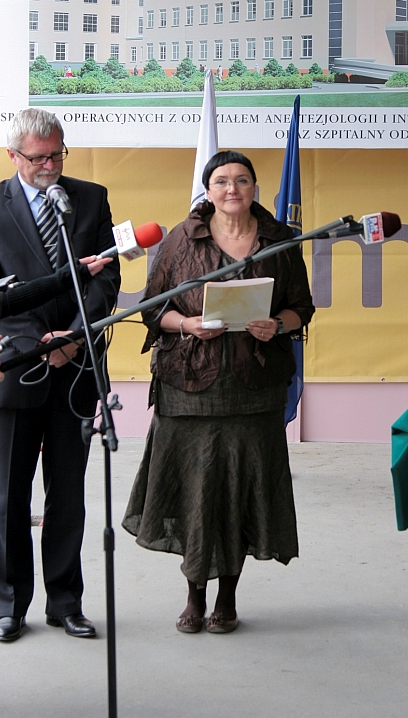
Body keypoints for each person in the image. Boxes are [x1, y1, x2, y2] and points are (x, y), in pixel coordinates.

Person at [123, 150, 314, 634]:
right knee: (195, 493)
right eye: (223, 181)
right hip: (188, 388)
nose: (233, 189)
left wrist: (277, 324)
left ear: (254, 188)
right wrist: (186, 323)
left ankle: (227, 598)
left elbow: (301, 307)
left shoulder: (279, 241)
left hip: (254, 390)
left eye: (242, 180)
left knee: (238, 495)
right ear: (207, 191)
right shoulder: (181, 238)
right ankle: (193, 596)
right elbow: (152, 308)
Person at [0, 108, 120, 643]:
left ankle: (65, 602)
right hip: (14, 367)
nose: (50, 165)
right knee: (7, 496)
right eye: (39, 157)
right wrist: (35, 343)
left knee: (67, 494)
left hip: (76, 366)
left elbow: (106, 279)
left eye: (57, 154)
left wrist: (73, 337)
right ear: (12, 155)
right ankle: (8, 603)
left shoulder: (88, 198)